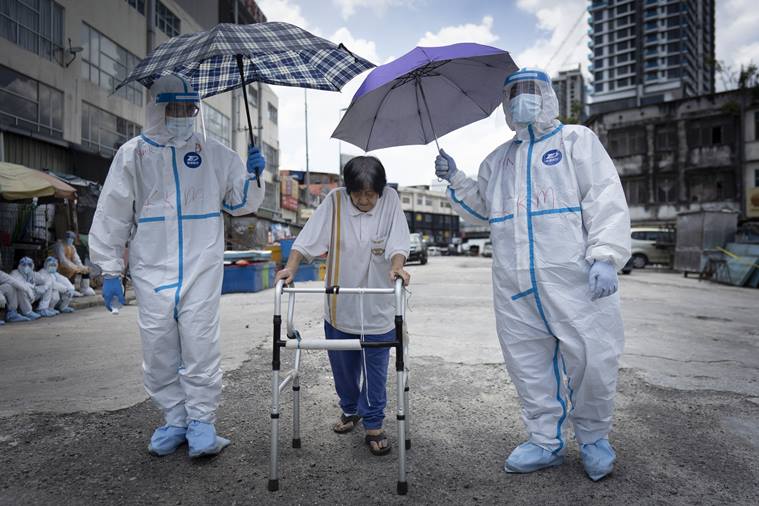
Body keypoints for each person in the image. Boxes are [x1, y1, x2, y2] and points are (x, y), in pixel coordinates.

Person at [434, 68, 631, 481]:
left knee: (592, 359)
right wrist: (454, 176)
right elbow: (481, 207)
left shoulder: (576, 140)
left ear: (547, 95)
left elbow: (605, 196)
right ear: (505, 105)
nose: (523, 99)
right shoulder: (498, 159)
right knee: (527, 364)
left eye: (530, 90)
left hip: (574, 280)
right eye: (514, 93)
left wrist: (605, 256)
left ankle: (594, 437)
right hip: (514, 284)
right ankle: (545, 440)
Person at [89, 74, 266, 459]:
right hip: (152, 270)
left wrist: (254, 175)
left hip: (201, 268)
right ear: (157, 109)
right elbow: (113, 214)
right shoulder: (133, 155)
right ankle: (175, 419)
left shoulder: (215, 153)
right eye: (175, 108)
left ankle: (202, 421)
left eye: (189, 108)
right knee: (158, 349)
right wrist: (109, 270)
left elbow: (241, 204)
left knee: (201, 345)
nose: (183, 115)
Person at [275, 156, 410, 456]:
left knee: (375, 366)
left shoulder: (390, 200)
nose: (364, 200)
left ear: (380, 189)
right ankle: (350, 409)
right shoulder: (335, 202)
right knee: (343, 367)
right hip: (340, 302)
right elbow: (307, 239)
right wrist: (291, 268)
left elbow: (398, 243)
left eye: (370, 194)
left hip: (377, 303)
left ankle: (373, 422)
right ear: (347, 189)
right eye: (358, 193)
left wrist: (397, 267)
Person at [53, 231, 95, 296]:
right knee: (71, 272)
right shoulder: (59, 245)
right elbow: (63, 260)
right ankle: (70, 290)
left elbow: (76, 259)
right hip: (59, 268)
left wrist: (82, 267)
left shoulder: (72, 247)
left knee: (85, 271)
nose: (70, 240)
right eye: (69, 238)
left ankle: (85, 288)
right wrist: (75, 267)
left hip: (69, 267)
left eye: (72, 238)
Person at [0, 257, 36, 323]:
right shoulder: (15, 273)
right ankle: (26, 311)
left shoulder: (1, 274)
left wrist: (28, 290)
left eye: (29, 265)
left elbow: (12, 281)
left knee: (10, 287)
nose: (27, 267)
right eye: (24, 265)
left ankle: (12, 313)